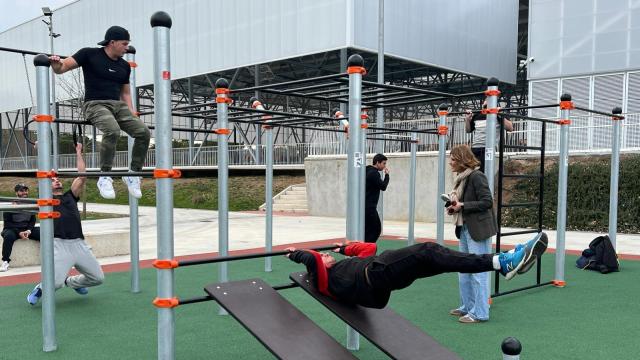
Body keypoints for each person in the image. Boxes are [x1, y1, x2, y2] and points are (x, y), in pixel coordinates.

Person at [285, 236, 547, 310]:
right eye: (326, 256)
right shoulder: (324, 279)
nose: (327, 256)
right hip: (377, 273)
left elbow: (369, 247)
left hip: (382, 277)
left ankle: (501, 264)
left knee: (439, 261)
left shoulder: (342, 266)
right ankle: (504, 261)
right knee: (428, 250)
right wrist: (295, 252)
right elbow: (311, 258)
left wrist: (344, 248)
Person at [48, 25, 150, 199]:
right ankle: (105, 176)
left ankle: (133, 174)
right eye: (124, 44)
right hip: (95, 104)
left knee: (143, 132)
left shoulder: (125, 66)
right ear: (112, 42)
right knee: (112, 130)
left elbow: (125, 93)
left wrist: (132, 113)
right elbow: (62, 68)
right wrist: (55, 64)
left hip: (118, 106)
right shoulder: (89, 54)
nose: (127, 48)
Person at [27, 143, 104, 305]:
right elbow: (42, 174)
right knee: (55, 283)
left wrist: (78, 152)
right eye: (52, 180)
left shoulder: (70, 196)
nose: (56, 181)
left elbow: (82, 176)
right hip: (58, 245)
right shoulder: (45, 200)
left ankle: (71, 282)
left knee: (97, 278)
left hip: (79, 243)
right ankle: (41, 288)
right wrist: (40, 150)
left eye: (57, 179)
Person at [444, 144, 497, 323]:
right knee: (464, 269)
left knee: (478, 271)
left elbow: (487, 201)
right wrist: (455, 207)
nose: (450, 162)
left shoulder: (476, 176)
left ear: (461, 160)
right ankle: (467, 306)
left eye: (452, 159)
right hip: (465, 227)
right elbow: (465, 203)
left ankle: (480, 312)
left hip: (477, 230)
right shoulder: (462, 178)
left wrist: (463, 206)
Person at [1, 184, 41, 272]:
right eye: (21, 191)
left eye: (26, 190)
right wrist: (19, 232)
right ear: (16, 193)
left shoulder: (31, 204)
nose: (24, 192)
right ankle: (5, 261)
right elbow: (8, 224)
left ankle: (51, 258)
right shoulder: (10, 205)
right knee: (8, 236)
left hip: (26, 229)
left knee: (44, 233)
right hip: (12, 229)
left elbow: (32, 220)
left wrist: (28, 230)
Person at [465, 101, 513, 173]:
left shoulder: (498, 115)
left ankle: (486, 183)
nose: (486, 108)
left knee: (484, 172)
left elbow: (510, 128)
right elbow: (468, 130)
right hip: (475, 148)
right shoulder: (477, 115)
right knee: (469, 171)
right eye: (485, 106)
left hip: (487, 148)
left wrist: (498, 113)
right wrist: (467, 120)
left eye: (489, 106)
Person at [365, 154, 389, 243]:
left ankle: (364, 248)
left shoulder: (366, 169)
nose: (384, 166)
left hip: (366, 205)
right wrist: (387, 176)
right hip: (369, 207)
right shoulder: (374, 173)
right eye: (384, 163)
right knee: (376, 229)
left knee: (368, 230)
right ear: (378, 162)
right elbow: (383, 186)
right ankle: (367, 249)